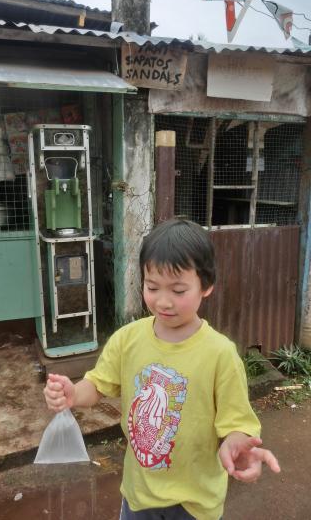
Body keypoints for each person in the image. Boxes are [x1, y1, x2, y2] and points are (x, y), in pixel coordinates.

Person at [44, 219, 281, 520]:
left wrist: (236, 445)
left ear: (206, 286)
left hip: (195, 504)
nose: (164, 301)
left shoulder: (220, 354)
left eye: (179, 290)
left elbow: (236, 422)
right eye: (152, 287)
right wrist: (72, 393)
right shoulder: (128, 339)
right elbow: (98, 385)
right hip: (139, 497)